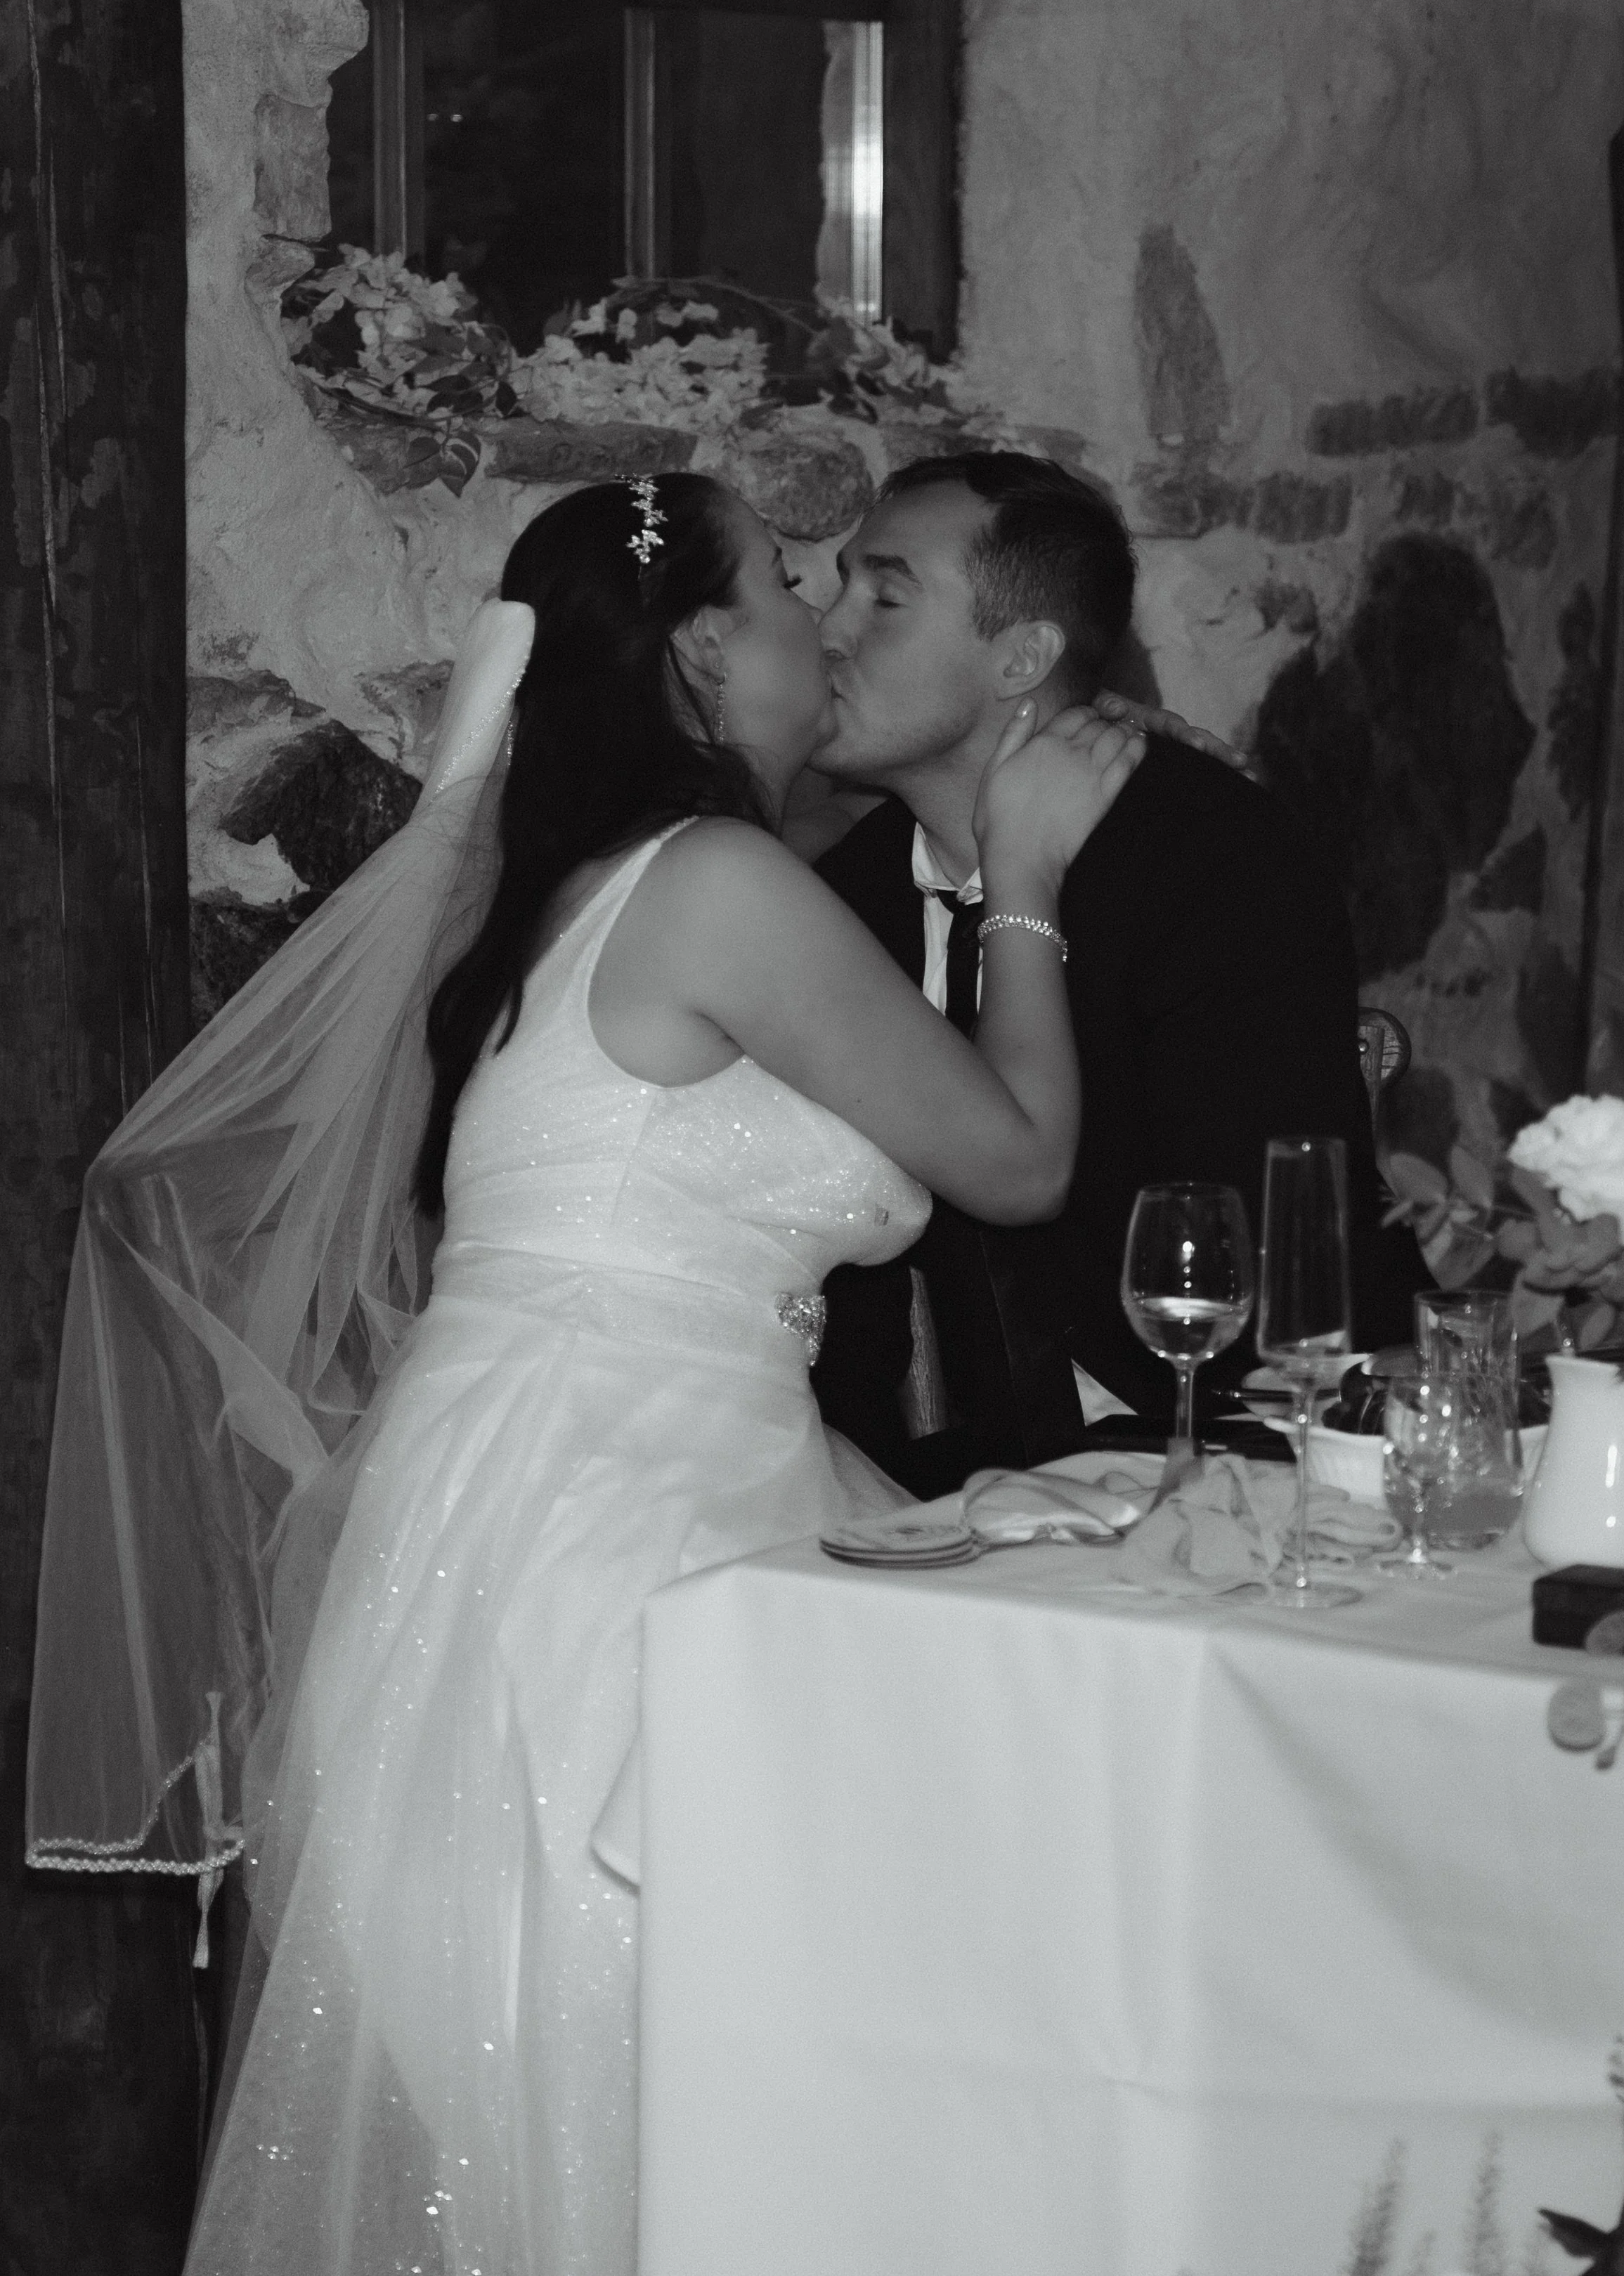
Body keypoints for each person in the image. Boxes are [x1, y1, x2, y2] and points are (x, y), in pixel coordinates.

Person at [25, 472, 1142, 2276]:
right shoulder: (713, 883)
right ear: (702, 646)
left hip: (510, 1514)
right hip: (614, 1543)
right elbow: (1014, 1161)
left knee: (587, 2121)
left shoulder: (556, 897)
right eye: (785, 586)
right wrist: (1020, 877)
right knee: (660, 2111)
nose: (819, 620)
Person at [807, 450, 1429, 1497]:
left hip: (1235, 1448)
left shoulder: (1212, 860)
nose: (830, 631)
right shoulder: (842, 896)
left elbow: (1260, 1255)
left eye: (885, 598)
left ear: (1021, 657)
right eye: (840, 590)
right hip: (950, 1481)